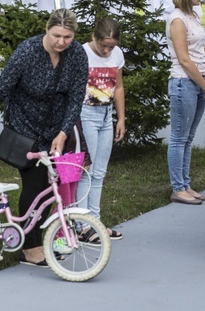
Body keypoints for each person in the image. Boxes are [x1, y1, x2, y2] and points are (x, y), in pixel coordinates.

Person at [0, 9, 88, 267]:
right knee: (36, 183)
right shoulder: (27, 52)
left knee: (51, 189)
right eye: (56, 35)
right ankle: (30, 247)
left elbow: (76, 97)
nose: (61, 42)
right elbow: (0, 89)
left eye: (68, 37)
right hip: (24, 127)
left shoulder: (77, 54)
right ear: (47, 29)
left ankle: (35, 238)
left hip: (54, 130)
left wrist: (63, 132)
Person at [166, 0, 205, 205]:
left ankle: (186, 184)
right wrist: (204, 86)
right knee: (178, 137)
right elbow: (184, 59)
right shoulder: (177, 19)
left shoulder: (194, 15)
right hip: (184, 82)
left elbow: (203, 49)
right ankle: (178, 188)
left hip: (199, 80)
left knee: (189, 137)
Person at [75, 17, 126, 242]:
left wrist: (121, 118)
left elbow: (119, 87)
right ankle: (81, 225)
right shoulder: (82, 53)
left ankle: (94, 222)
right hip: (85, 115)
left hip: (106, 116)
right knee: (86, 170)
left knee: (100, 173)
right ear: (94, 37)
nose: (106, 50)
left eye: (111, 46)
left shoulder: (117, 55)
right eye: (103, 45)